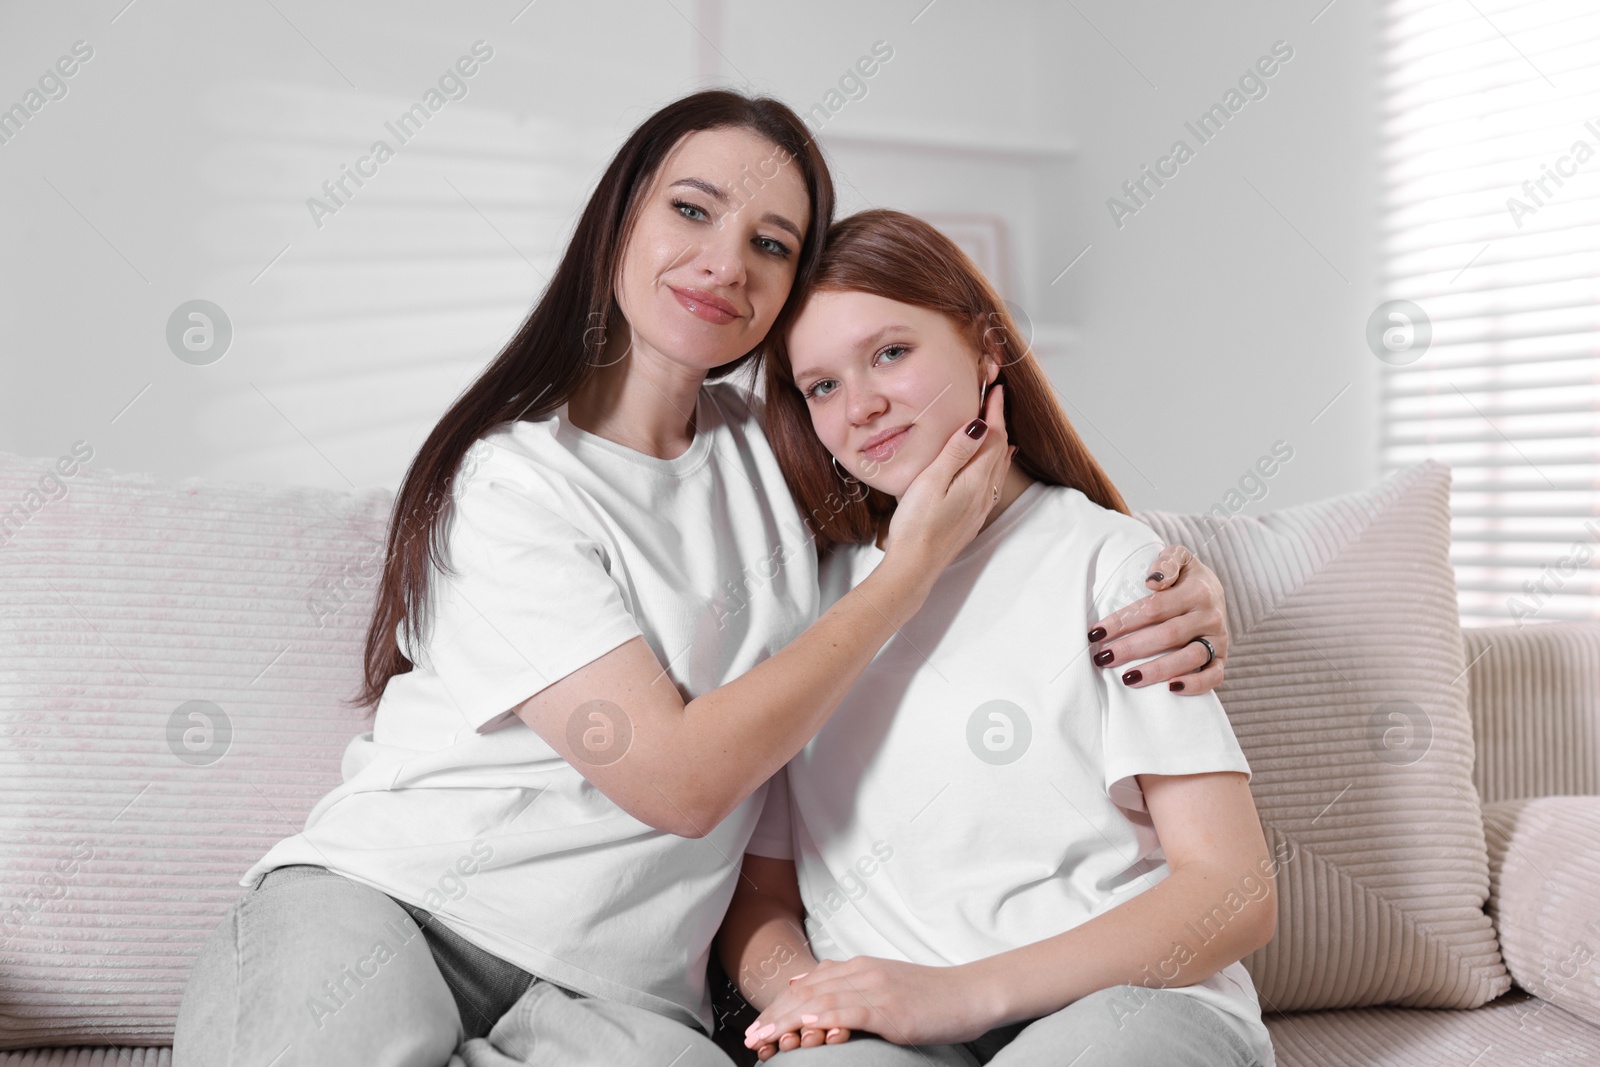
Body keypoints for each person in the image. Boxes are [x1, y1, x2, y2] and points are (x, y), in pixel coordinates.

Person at [172, 91, 1232, 1067]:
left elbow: (993, 524)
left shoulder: (789, 450)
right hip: (393, 904)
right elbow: (677, 779)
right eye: (692, 209)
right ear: (620, 217)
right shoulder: (513, 481)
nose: (725, 262)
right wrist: (907, 574)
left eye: (770, 244)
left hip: (615, 996)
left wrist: (1186, 583)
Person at [718, 209, 1276, 1067]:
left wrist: (954, 994)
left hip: (1124, 1008)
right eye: (822, 385)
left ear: (985, 348)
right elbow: (760, 896)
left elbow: (1231, 889)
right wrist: (810, 996)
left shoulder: (1113, 565)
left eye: (890, 353)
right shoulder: (809, 593)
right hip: (879, 1032)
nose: (861, 406)